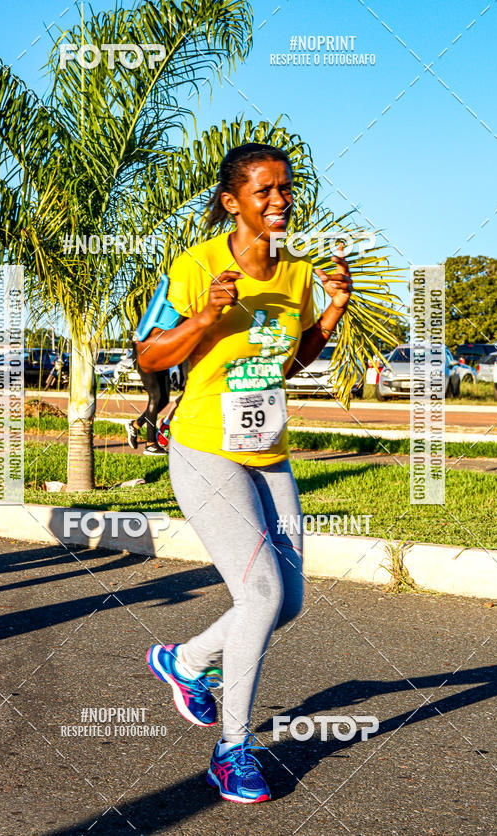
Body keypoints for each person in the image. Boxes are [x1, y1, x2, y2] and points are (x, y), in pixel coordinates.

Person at [136, 143, 352, 803]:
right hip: (204, 450)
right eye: (264, 191)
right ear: (233, 202)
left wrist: (330, 317)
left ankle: (185, 661)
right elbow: (147, 352)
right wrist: (205, 315)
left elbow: (280, 366)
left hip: (268, 452)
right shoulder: (196, 264)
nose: (279, 201)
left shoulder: (297, 273)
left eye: (285, 189)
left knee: (288, 602)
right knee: (259, 595)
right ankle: (233, 751)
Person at [125, 341, 171, 456]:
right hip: (145, 354)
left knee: (164, 399)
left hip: (162, 356)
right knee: (155, 396)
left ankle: (135, 424)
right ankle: (150, 444)